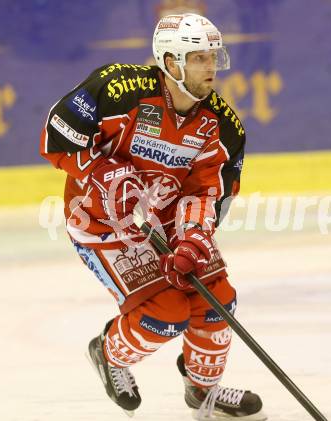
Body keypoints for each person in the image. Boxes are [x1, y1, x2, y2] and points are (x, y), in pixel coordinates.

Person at [40, 13, 266, 420]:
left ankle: (203, 394)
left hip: (165, 223)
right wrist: (102, 171)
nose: (210, 67)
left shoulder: (222, 126)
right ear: (170, 62)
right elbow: (56, 135)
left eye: (212, 56)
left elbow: (207, 192)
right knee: (165, 313)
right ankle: (108, 353)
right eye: (198, 57)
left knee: (218, 302)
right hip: (103, 223)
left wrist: (194, 237)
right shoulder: (118, 89)